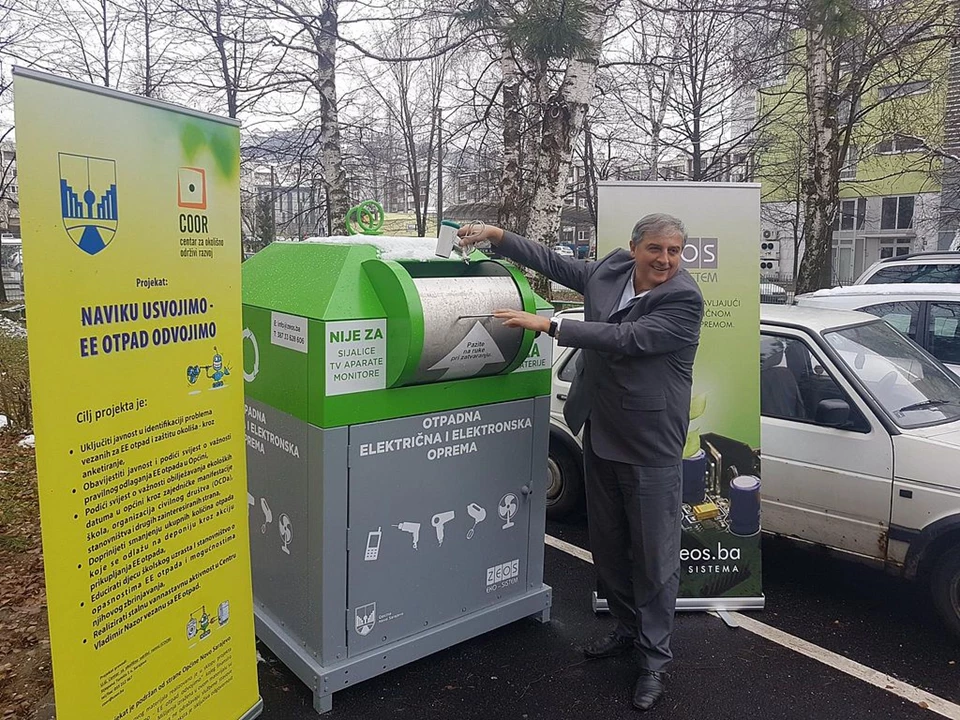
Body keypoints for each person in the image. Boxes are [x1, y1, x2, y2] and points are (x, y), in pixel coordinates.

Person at [458, 214, 703, 711]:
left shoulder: (683, 299)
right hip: (601, 431)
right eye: (656, 249)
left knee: (654, 558)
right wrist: (497, 237)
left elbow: (628, 340)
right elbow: (555, 263)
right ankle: (627, 630)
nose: (665, 260)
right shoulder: (612, 270)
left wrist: (550, 324)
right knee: (609, 549)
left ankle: (654, 661)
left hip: (650, 444)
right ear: (633, 247)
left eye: (675, 251)